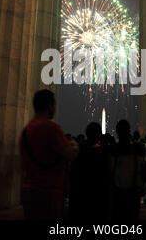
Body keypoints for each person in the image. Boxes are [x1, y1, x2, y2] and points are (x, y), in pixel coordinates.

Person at [20, 89, 79, 220]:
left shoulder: (26, 130)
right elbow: (71, 154)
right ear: (49, 105)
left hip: (29, 190)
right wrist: (74, 144)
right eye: (54, 105)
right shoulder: (51, 128)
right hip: (49, 191)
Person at [69, 122, 111, 221]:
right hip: (98, 196)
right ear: (99, 134)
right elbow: (106, 175)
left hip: (81, 195)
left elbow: (73, 171)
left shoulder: (79, 149)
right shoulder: (102, 152)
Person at [111, 120, 144, 221]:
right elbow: (140, 169)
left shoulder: (114, 150)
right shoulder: (138, 148)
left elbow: (111, 171)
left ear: (117, 132)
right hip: (133, 191)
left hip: (118, 191)